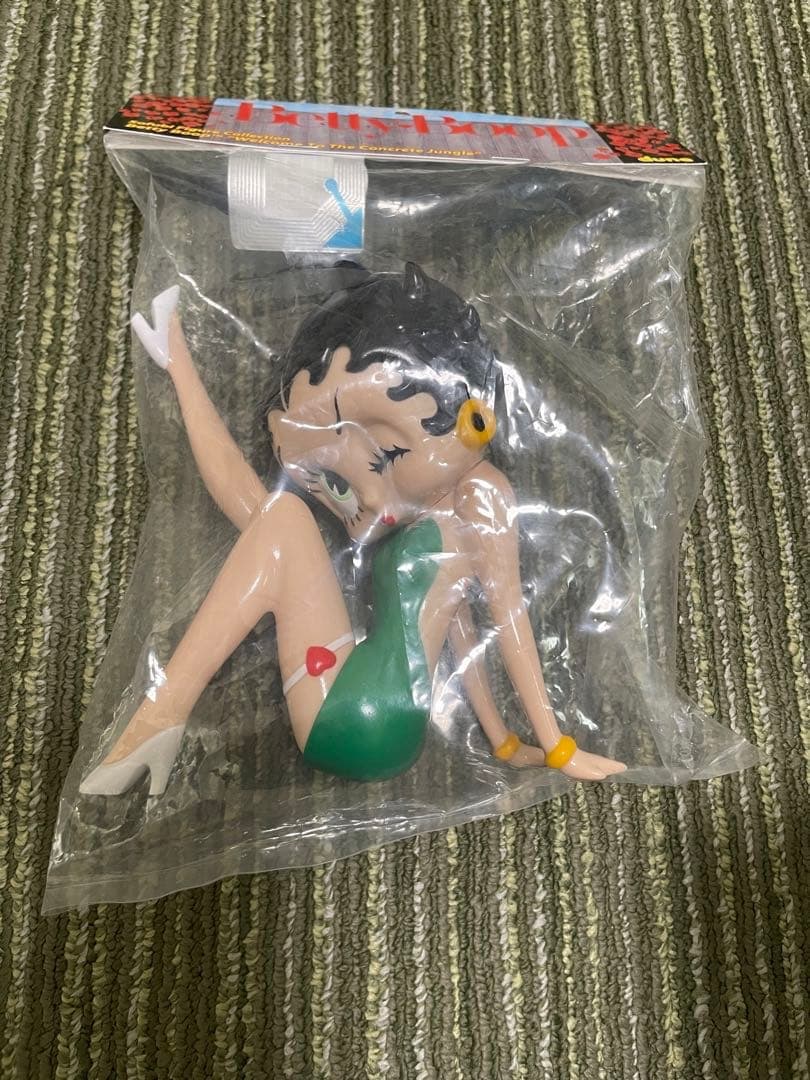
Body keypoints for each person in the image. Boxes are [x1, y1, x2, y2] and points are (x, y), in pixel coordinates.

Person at [80, 264, 624, 795]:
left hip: (370, 722)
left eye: (388, 452)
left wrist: (558, 747)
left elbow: (507, 619)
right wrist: (179, 367)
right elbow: (457, 631)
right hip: (351, 705)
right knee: (275, 516)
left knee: (284, 518)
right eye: (337, 485)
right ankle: (158, 720)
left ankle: (160, 717)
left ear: (472, 419)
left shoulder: (481, 491)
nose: (371, 499)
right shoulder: (438, 522)